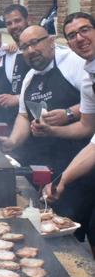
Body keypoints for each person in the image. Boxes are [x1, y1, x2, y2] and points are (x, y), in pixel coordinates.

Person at [0, 26, 86, 176]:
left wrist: (69, 113)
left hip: (78, 158)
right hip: (43, 160)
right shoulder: (30, 77)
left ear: (51, 41)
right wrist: (12, 142)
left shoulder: (74, 62)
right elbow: (24, 116)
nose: (31, 50)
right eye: (24, 47)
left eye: (35, 42)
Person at [42, 13, 95, 248]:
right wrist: (62, 180)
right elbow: (89, 129)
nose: (80, 38)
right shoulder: (88, 80)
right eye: (72, 35)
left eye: (85, 30)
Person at [3, 4, 32, 94]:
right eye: (9, 23)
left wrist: (17, 99)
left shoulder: (42, 49)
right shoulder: (10, 53)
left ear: (28, 20)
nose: (13, 26)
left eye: (17, 20)